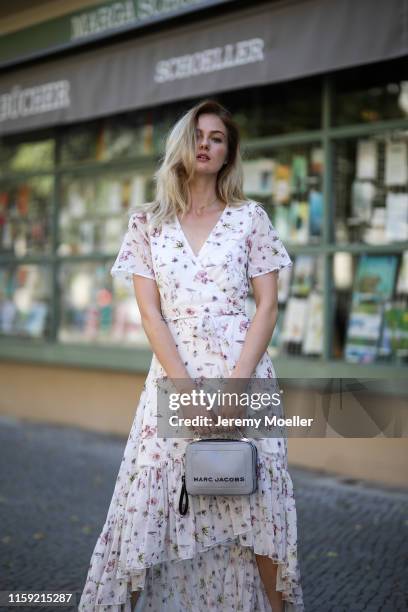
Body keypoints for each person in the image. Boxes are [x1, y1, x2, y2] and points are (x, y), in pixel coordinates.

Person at [78, 99, 304, 611]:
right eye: (198, 135)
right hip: (173, 379)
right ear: (183, 144)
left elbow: (267, 307)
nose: (206, 144)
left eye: (218, 138)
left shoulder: (250, 218)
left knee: (257, 502)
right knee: (149, 503)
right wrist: (186, 394)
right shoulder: (147, 224)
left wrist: (234, 389)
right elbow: (150, 314)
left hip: (242, 377)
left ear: (228, 154)